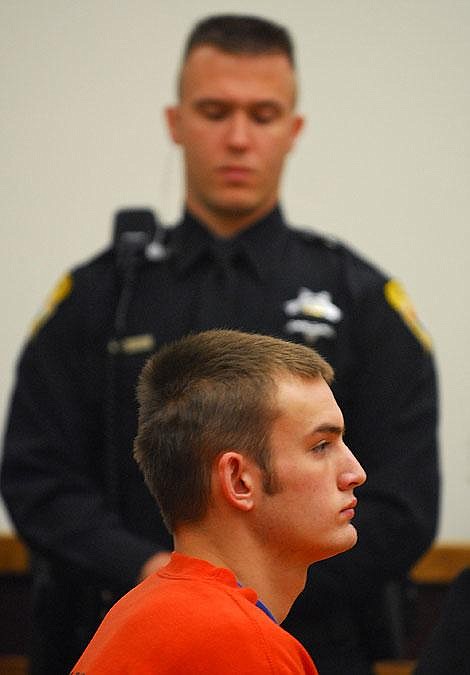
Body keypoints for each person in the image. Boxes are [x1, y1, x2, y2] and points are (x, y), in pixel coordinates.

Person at [1, 13, 439, 675]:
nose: (237, 138)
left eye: (262, 115)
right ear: (176, 122)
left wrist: (262, 591)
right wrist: (161, 575)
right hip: (118, 626)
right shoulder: (99, 298)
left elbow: (398, 504)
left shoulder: (361, 301)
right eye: (214, 111)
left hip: (313, 639)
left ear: (293, 131)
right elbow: (38, 477)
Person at [72, 329, 367, 673]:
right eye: (320, 447)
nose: (355, 473)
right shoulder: (238, 642)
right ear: (239, 481)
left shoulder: (136, 612)